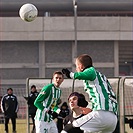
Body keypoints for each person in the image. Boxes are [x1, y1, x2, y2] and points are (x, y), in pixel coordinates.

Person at [62, 54, 118, 133]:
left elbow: (88, 73)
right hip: (113, 119)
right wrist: (90, 107)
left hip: (101, 115)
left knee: (70, 127)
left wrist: (71, 74)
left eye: (76, 66)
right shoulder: (101, 77)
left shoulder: (91, 71)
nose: (76, 69)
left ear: (81, 66)